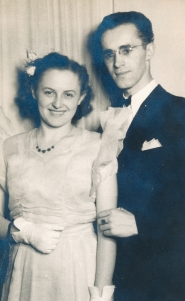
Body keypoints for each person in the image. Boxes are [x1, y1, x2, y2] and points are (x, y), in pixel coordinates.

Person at [0, 52, 120, 301]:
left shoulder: (99, 146)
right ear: (34, 91)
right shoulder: (9, 146)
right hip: (23, 267)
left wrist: (101, 294)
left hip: (78, 267)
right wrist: (23, 231)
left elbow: (107, 229)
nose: (58, 103)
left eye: (68, 94)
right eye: (49, 92)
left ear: (80, 98)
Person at [92, 11, 185, 301]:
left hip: (164, 279)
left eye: (126, 50)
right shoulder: (106, 122)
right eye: (109, 54)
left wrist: (143, 225)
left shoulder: (180, 113)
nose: (117, 63)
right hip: (115, 276)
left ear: (150, 50)